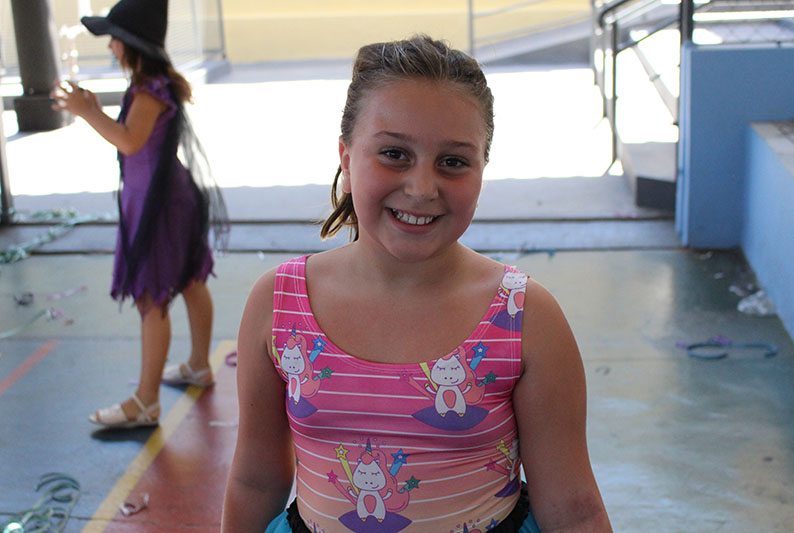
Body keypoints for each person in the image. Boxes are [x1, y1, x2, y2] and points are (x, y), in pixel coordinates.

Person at [222, 35, 611, 532]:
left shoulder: (525, 317)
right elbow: (255, 482)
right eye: (394, 154)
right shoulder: (279, 303)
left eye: (453, 162)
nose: (422, 188)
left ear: (482, 169)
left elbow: (573, 509)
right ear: (346, 156)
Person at [52, 0, 227, 429]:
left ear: (132, 45)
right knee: (190, 280)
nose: (110, 46)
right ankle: (198, 365)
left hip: (158, 206)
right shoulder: (154, 84)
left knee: (151, 297)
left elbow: (130, 141)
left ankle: (145, 402)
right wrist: (95, 110)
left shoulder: (149, 90)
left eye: (115, 39)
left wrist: (88, 112)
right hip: (168, 197)